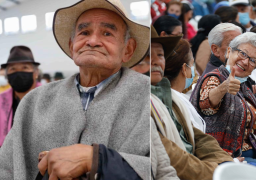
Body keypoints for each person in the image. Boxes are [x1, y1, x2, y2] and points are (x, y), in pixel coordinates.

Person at [0, 0, 150, 179]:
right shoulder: (34, 102)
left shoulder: (149, 97)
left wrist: (98, 160)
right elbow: (6, 168)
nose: (93, 41)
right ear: (72, 46)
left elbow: (167, 169)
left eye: (107, 33)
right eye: (84, 32)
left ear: (128, 49)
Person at [151, 26, 233, 180]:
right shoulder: (140, 100)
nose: (156, 61)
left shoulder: (167, 95)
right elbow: (176, 161)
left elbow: (200, 139)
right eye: (147, 55)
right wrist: (220, 171)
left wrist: (224, 164)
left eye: (160, 54)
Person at [191, 32, 256, 164]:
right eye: (243, 54)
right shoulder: (214, 77)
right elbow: (206, 105)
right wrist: (224, 87)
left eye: (253, 60)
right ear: (228, 52)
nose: (245, 61)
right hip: (225, 158)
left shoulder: (247, 85)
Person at [0, 46, 41, 147]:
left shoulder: (51, 98)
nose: (18, 73)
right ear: (7, 75)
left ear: (36, 73)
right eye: (13, 69)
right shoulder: (1, 101)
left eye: (25, 67)